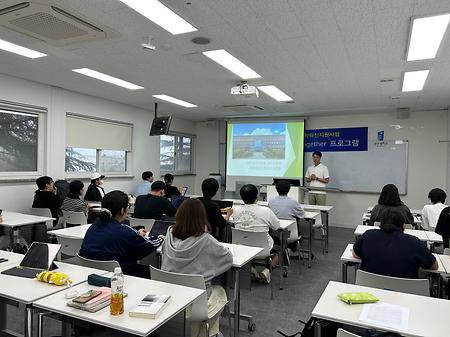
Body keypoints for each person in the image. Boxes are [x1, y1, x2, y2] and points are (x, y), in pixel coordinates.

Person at [161, 198, 232, 337]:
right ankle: (208, 333)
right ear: (202, 217)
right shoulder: (206, 240)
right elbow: (227, 259)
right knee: (219, 291)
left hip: (169, 297)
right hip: (196, 303)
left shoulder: (169, 235)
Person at [79, 190, 162, 278]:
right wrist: (160, 238)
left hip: (93, 274)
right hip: (122, 276)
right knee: (156, 272)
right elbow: (147, 247)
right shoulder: (125, 232)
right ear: (123, 210)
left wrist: (135, 233)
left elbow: (115, 232)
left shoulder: (94, 225)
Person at [353, 209, 437, 279]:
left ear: (380, 223)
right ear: (403, 225)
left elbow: (355, 254)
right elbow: (434, 266)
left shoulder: (368, 235)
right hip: (406, 294)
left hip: (369, 291)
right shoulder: (414, 242)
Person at [233, 184, 280, 283]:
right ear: (257, 197)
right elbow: (276, 227)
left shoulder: (236, 210)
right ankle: (267, 271)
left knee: (248, 238)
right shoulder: (266, 211)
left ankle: (251, 270)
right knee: (279, 245)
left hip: (243, 248)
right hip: (263, 250)